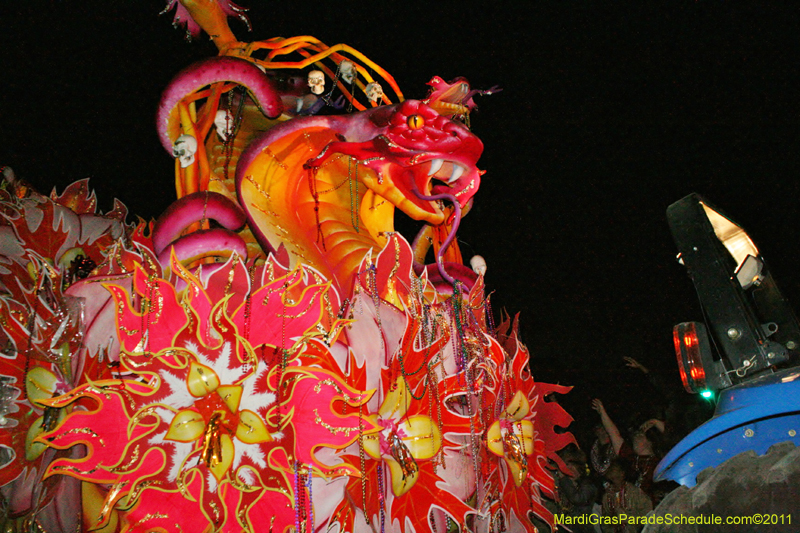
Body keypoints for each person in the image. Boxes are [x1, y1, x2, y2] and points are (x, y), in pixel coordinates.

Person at [591, 398, 662, 504]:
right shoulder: (630, 457)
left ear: (650, 442)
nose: (635, 438)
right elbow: (614, 434)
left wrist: (655, 422)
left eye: (640, 436)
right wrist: (602, 412)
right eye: (635, 436)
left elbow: (674, 439)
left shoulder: (659, 461)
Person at [555, 444, 598, 532]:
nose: (568, 468)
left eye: (571, 464)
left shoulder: (588, 485)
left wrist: (564, 479)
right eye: (566, 465)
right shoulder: (561, 486)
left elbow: (578, 499)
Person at [600, 460, 652, 533]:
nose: (612, 473)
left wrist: (630, 519)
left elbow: (647, 513)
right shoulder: (608, 496)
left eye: (616, 470)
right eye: (611, 470)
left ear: (623, 473)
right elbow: (605, 519)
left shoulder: (634, 492)